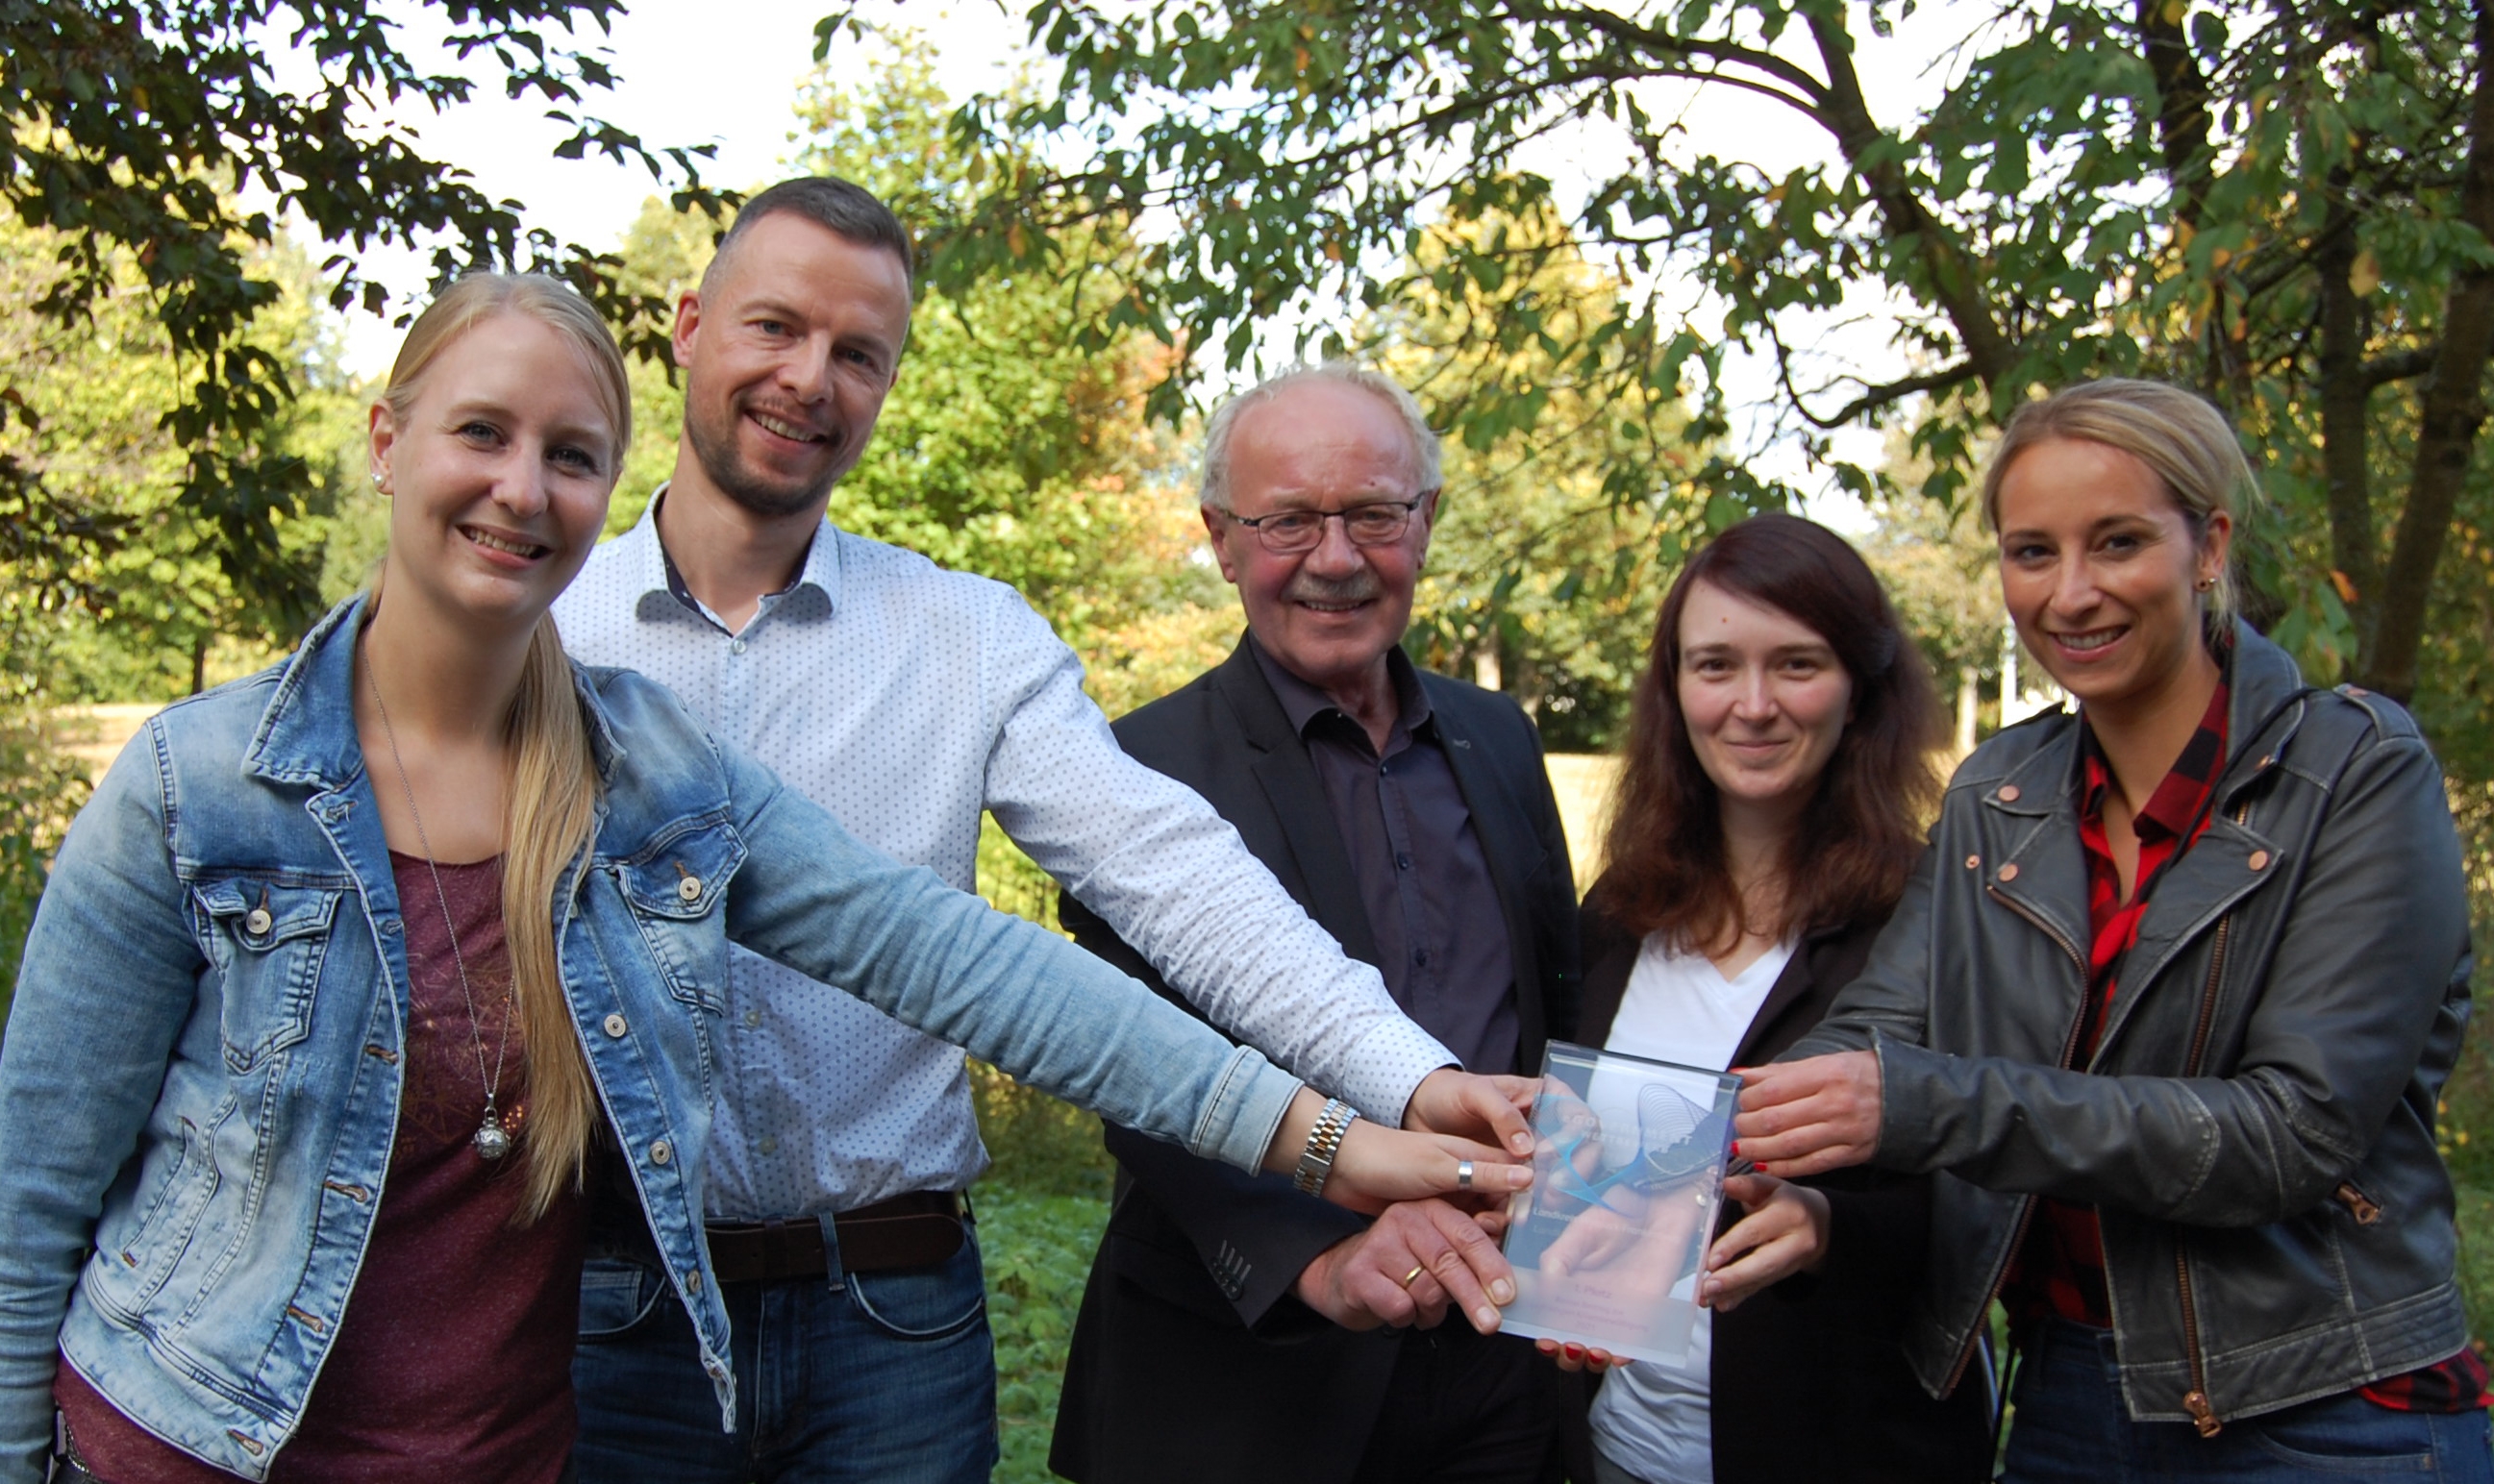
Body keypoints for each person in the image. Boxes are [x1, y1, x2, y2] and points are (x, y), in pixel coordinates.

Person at [0, 274, 1520, 1484]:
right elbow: (31, 1204)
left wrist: (1335, 1134)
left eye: (570, 457)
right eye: (480, 434)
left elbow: (973, 963)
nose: (522, 489)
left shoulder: (647, 778)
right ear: (388, 440)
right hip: (204, 1440)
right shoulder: (202, 788)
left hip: (525, 1444)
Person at [552, 176, 1527, 1484]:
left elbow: (1177, 879)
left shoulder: (966, 636)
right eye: (773, 327)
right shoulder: (545, 634)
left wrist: (1406, 1077)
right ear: (687, 326)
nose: (809, 379)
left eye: (858, 353)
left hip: (886, 1318)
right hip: (614, 1305)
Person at [1735, 380, 2493, 1480]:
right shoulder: (1999, 791)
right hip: (2072, 1394)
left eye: (2117, 542)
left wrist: (1921, 1102)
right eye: (2030, 552)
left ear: (2207, 546)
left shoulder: (2355, 772)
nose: (2069, 593)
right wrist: (1640, 1162)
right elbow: (1874, 1034)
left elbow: (2287, 1135)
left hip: (2325, 1403)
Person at [1045, 363, 1581, 1484]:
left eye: (1373, 514)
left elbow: (1549, 1013)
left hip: (1497, 1354)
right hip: (1247, 1370)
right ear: (1220, 537)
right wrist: (1316, 1260)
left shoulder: (1499, 737)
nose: (1334, 558)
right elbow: (1135, 1074)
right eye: (1287, 520)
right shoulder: (1135, 767)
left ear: (1426, 521)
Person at [1544, 513, 1991, 1484]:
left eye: (1796, 664)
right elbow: (1570, 1145)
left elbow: (1988, 1196)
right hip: (1617, 1452)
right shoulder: (1618, 913)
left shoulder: (1929, 923)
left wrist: (1832, 1227)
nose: (1752, 705)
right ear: (1673, 690)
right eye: (1715, 666)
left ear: (1861, 686)